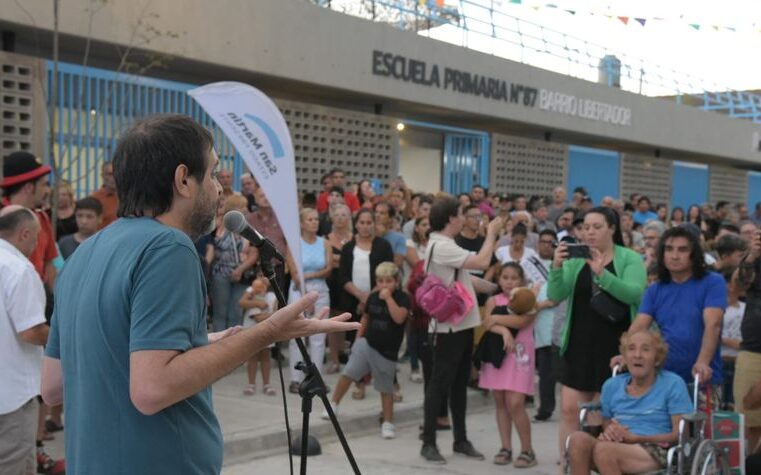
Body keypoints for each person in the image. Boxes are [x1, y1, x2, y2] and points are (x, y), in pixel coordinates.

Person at [40, 114, 359, 475]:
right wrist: (268, 333)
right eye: (212, 174)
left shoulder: (84, 253)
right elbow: (152, 389)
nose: (219, 188)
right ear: (183, 179)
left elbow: (53, 386)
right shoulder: (167, 246)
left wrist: (195, 343)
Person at [547, 206, 647, 462]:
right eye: (585, 228)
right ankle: (567, 466)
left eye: (597, 227)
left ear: (612, 229)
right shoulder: (576, 259)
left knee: (602, 415)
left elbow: (635, 294)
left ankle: (600, 463)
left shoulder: (629, 258)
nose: (589, 232)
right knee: (570, 411)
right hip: (579, 344)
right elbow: (555, 295)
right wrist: (557, 267)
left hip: (614, 347)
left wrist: (603, 275)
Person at [420, 196, 503, 464]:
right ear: (450, 219)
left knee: (458, 384)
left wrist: (494, 288)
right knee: (439, 385)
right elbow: (481, 262)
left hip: (462, 324)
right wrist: (490, 233)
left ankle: (461, 440)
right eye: (460, 214)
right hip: (449, 328)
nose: (465, 219)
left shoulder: (445, 245)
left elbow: (463, 278)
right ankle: (429, 442)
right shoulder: (441, 245)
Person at [567, 330, 693, 474]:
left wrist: (635, 438)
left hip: (656, 448)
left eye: (645, 349)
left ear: (657, 359)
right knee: (577, 440)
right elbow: (607, 421)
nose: (637, 355)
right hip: (618, 445)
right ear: (625, 358)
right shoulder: (611, 386)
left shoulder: (673, 384)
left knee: (605, 450)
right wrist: (611, 432)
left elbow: (680, 434)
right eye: (631, 349)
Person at [620, 227, 725, 390]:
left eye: (683, 250)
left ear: (694, 254)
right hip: (663, 378)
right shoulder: (655, 289)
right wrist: (625, 354)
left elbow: (713, 325)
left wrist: (703, 362)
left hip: (702, 378)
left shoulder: (713, 282)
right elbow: (639, 326)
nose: (675, 256)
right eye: (669, 249)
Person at [0, 206, 64, 475]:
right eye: (37, 237)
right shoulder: (19, 269)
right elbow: (31, 331)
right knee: (14, 463)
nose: (38, 244)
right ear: (24, 234)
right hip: (11, 394)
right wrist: (63, 337)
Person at [323, 262, 410, 439]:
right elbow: (366, 317)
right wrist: (358, 339)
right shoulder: (373, 296)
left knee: (385, 387)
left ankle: (387, 421)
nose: (384, 285)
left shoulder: (402, 298)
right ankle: (333, 405)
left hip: (387, 351)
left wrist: (389, 299)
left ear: (396, 281)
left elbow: (399, 318)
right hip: (367, 343)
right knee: (348, 373)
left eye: (388, 281)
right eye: (380, 281)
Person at [479, 263, 538, 468]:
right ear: (499, 280)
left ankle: (527, 450)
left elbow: (522, 321)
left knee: (515, 403)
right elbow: (487, 323)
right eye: (505, 277)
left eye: (514, 278)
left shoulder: (527, 298)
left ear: (521, 281)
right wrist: (503, 331)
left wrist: (496, 318)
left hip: (520, 356)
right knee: (501, 401)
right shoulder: (493, 300)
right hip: (499, 355)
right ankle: (506, 447)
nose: (509, 281)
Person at [287, 207, 332, 393]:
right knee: (297, 334)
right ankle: (296, 378)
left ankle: (316, 377)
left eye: (316, 219)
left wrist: (311, 275)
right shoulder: (293, 244)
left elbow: (329, 268)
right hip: (299, 291)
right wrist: (307, 297)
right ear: (302, 223)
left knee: (319, 335)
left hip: (321, 289)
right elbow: (295, 273)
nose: (315, 222)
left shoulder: (325, 243)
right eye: (310, 219)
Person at [209, 194, 258, 332]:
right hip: (220, 273)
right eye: (242, 207)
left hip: (242, 274)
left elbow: (254, 254)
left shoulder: (248, 229)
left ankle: (233, 344)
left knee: (236, 312)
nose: (245, 210)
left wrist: (240, 270)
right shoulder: (218, 225)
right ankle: (218, 346)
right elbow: (211, 247)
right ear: (233, 209)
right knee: (220, 312)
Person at [735, 226, 761, 453]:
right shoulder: (754, 258)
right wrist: (752, 255)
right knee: (747, 417)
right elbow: (740, 286)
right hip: (754, 346)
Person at [530, 229, 559, 422]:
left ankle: (550, 407)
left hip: (558, 324)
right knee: (545, 372)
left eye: (551, 242)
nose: (546, 245)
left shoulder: (562, 265)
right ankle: (545, 407)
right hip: (537, 324)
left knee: (555, 371)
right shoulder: (528, 265)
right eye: (543, 241)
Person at [325, 203, 353, 374]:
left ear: (349, 218)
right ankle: (334, 359)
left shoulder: (354, 238)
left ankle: (344, 353)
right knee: (333, 320)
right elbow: (329, 261)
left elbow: (346, 261)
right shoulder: (326, 238)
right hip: (332, 281)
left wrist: (337, 259)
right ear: (332, 218)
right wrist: (340, 259)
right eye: (337, 215)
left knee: (346, 319)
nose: (341, 218)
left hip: (349, 281)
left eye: (344, 215)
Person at [239, 277, 278, 396]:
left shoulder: (272, 296)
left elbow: (276, 311)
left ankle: (267, 384)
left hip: (267, 329)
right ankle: (251, 384)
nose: (263, 281)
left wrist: (271, 315)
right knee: (253, 356)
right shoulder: (251, 292)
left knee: (266, 355)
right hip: (252, 328)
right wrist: (257, 302)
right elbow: (242, 302)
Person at [404, 215, 430, 383]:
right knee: (414, 331)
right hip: (413, 292)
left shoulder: (436, 245)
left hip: (432, 294)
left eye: (429, 224)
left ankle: (426, 363)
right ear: (417, 228)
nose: (427, 227)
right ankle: (414, 366)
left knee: (427, 332)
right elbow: (420, 265)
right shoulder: (410, 244)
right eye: (423, 224)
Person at [720, 266, 744, 410]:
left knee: (735, 404)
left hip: (739, 362)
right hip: (722, 360)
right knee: (722, 402)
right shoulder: (716, 309)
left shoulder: (745, 307)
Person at [374, 201, 407, 269]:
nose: (377, 215)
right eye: (376, 212)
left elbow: (397, 263)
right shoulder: (366, 235)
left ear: (390, 218)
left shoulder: (400, 238)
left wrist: (380, 238)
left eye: (382, 213)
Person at [90, 161, 119, 228]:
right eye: (110, 174)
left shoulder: (129, 197)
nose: (114, 177)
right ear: (102, 176)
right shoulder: (95, 199)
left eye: (116, 173)